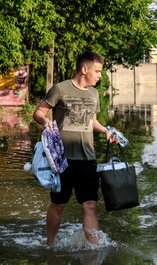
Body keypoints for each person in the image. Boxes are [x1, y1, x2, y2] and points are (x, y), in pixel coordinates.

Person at [33, 51, 116, 245]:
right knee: (59, 204)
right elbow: (38, 112)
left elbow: (92, 121)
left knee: (90, 204)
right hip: (61, 160)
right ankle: (50, 243)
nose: (100, 75)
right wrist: (45, 121)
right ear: (84, 69)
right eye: (97, 71)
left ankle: (94, 249)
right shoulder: (60, 89)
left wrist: (106, 131)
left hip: (87, 159)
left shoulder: (95, 93)